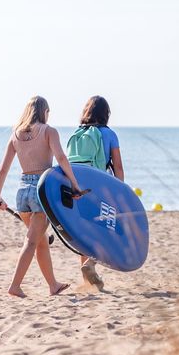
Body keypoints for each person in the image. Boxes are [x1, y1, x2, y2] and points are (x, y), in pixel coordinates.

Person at [0, 95, 86, 298]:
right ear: (44, 112)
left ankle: (53, 285)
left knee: (41, 240)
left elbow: (3, 169)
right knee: (31, 241)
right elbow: (61, 158)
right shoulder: (49, 131)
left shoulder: (15, 135)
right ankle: (15, 286)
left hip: (22, 191)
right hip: (41, 191)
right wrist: (74, 184)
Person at [68, 95, 124, 291]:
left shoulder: (77, 132)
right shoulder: (109, 134)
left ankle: (87, 281)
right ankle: (91, 263)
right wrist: (120, 193)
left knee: (84, 233)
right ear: (105, 113)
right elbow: (117, 166)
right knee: (107, 230)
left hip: (78, 189)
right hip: (101, 189)